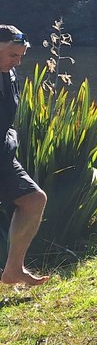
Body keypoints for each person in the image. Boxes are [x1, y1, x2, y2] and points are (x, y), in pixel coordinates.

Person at [0, 25, 48, 287]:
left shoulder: (9, 73)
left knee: (33, 200)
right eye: (11, 55)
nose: (16, 61)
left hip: (3, 154)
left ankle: (13, 270)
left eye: (20, 56)